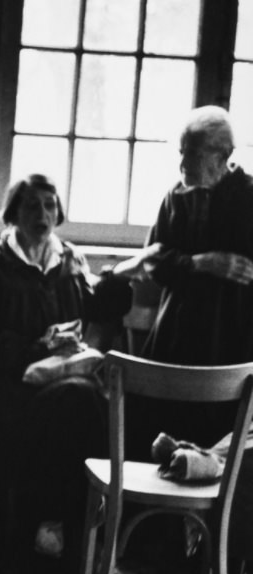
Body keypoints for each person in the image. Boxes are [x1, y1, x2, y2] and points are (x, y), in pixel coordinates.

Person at [0, 173, 130, 565]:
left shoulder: (69, 260)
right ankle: (75, 532)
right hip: (2, 389)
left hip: (63, 384)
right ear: (14, 213)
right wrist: (39, 347)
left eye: (50, 205)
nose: (43, 214)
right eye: (32, 205)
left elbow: (95, 310)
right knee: (80, 404)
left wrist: (116, 286)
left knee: (93, 401)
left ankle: (68, 526)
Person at [114, 107, 253, 440]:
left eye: (193, 153)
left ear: (224, 156)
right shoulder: (175, 198)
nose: (183, 164)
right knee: (149, 414)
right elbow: (154, 263)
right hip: (177, 329)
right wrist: (200, 263)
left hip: (234, 331)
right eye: (181, 152)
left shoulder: (248, 198)